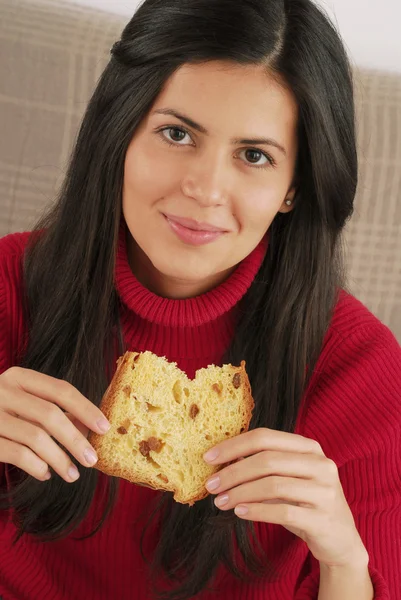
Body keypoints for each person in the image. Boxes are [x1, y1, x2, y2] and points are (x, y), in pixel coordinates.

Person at [0, 0, 400, 598]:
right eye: (177, 133)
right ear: (121, 134)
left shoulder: (360, 367)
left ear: (293, 188)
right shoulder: (9, 284)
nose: (206, 189)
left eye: (254, 155)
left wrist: (343, 559)